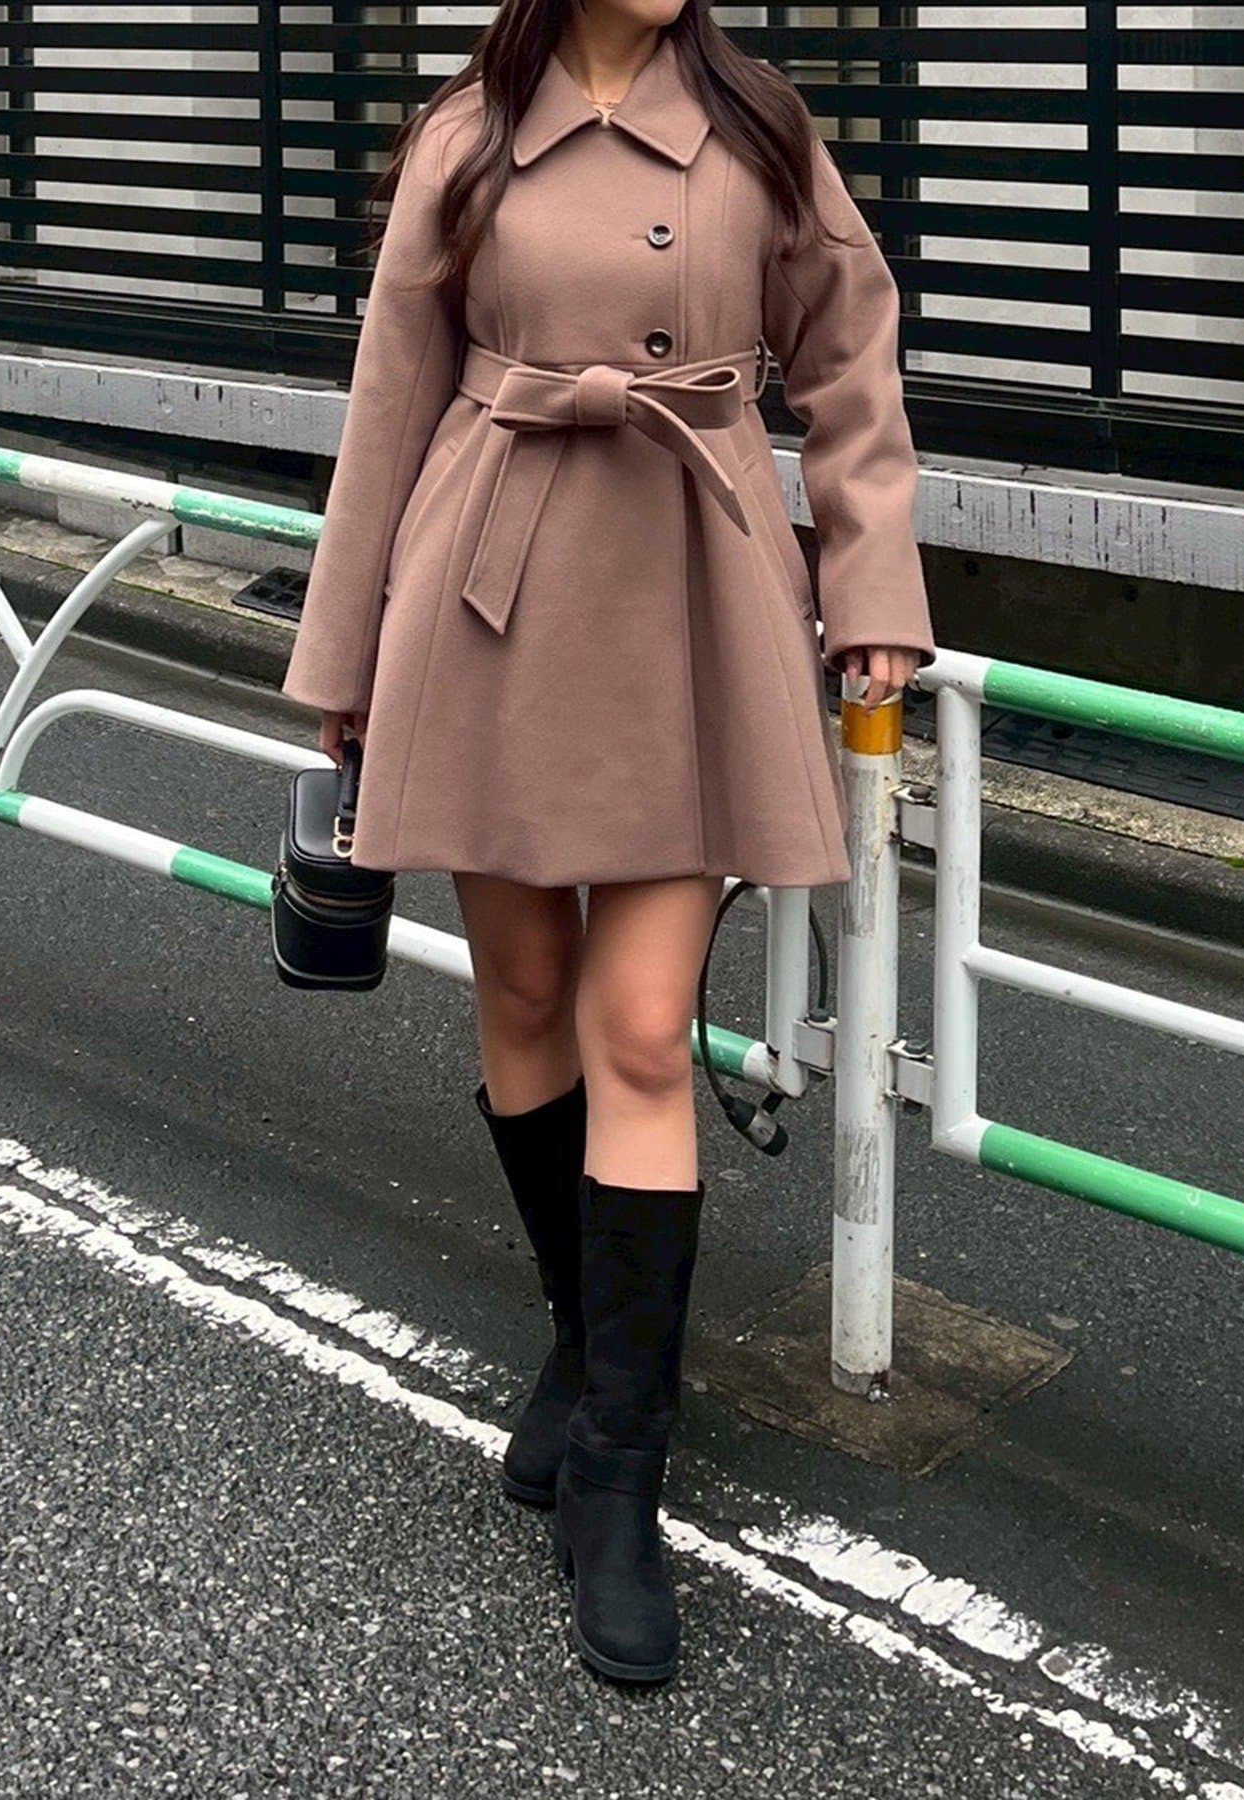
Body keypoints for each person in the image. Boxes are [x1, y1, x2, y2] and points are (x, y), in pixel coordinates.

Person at [279, 0, 936, 1686]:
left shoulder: (760, 125)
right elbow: (388, 400)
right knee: (521, 995)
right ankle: (586, 1345)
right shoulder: (467, 132)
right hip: (484, 580)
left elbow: (850, 359)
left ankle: (618, 1477)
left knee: (638, 1027)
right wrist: (341, 659)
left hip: (691, 584)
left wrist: (872, 588)